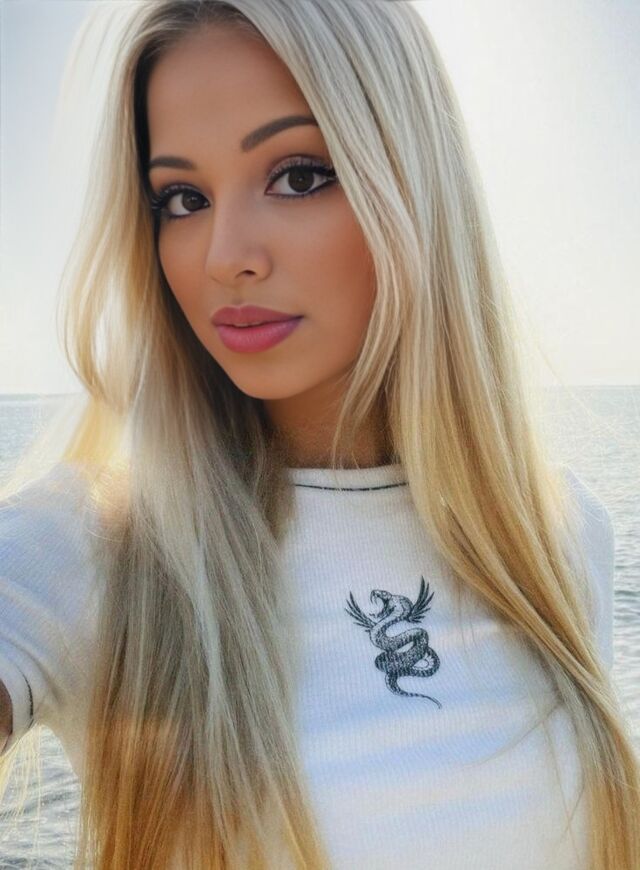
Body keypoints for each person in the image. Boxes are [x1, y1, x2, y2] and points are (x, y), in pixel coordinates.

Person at [0, 1, 637, 868]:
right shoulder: (93, 549)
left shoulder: (562, 536)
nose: (224, 255)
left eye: (298, 176)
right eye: (182, 198)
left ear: (411, 185)